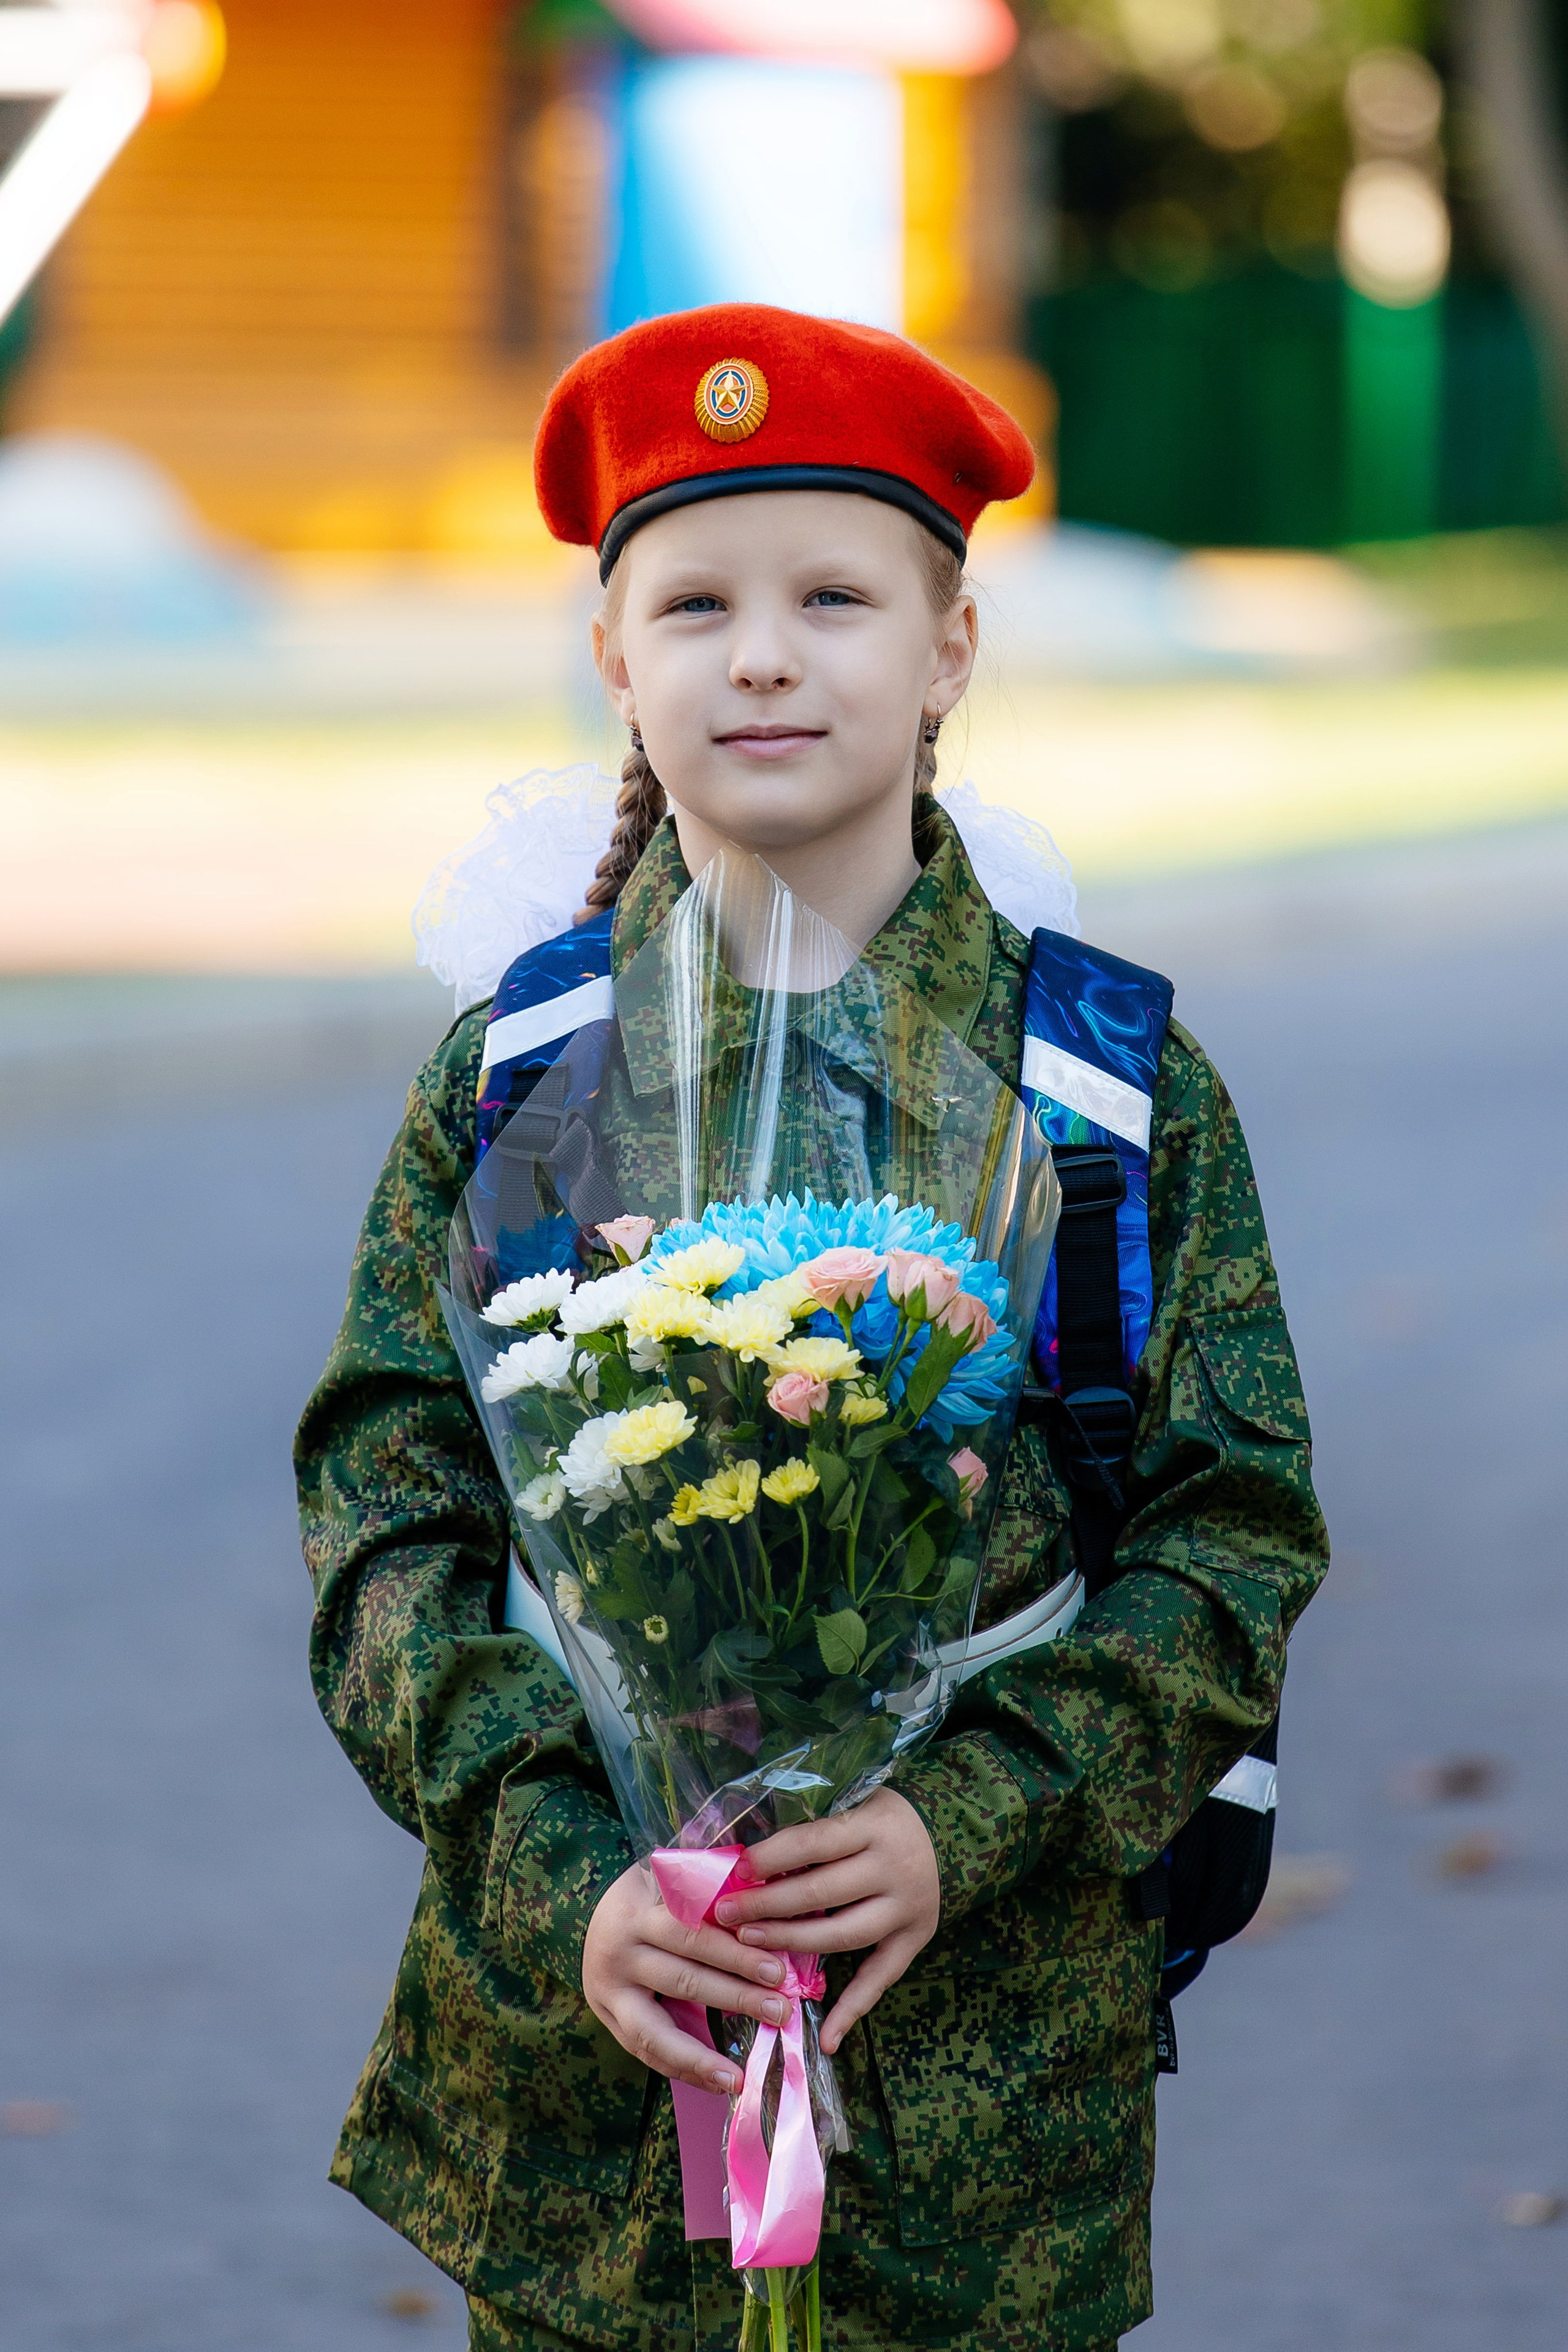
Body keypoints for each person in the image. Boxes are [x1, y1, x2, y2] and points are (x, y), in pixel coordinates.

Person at [295, 304, 1328, 2352]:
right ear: (616, 659)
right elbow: (385, 1516)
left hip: (981, 2093)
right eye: (693, 601)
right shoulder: (524, 1077)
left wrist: (970, 1817)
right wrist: (560, 1860)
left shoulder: (1101, 1087)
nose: (761, 654)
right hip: (593, 2093)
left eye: (836, 595)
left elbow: (1231, 1537)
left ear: (949, 647)